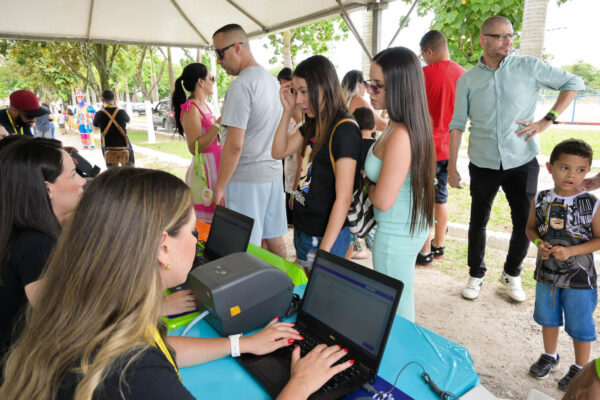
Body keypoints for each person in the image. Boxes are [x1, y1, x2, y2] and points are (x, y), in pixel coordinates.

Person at [0, 167, 352, 399]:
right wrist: (301, 385)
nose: (197, 241)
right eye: (192, 230)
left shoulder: (93, 313)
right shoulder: (135, 375)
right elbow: (151, 363)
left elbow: (165, 349)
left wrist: (240, 344)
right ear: (162, 248)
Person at [449, 16, 585, 302]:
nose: (508, 41)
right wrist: (452, 167)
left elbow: (573, 82)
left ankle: (511, 273)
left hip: (522, 160)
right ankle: (476, 274)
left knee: (525, 222)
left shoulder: (529, 67)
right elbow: (458, 124)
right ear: (483, 40)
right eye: (500, 36)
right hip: (483, 162)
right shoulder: (468, 80)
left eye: (511, 35)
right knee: (478, 221)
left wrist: (548, 120)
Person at [0, 137, 86, 370]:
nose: (82, 181)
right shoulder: (36, 247)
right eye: (73, 174)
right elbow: (67, 323)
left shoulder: (31, 230)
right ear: (47, 188)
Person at [364, 47, 435, 322]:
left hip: (395, 233)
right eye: (369, 82)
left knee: (396, 313)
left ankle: (403, 361)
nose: (370, 90)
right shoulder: (397, 123)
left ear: (400, 87)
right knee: (395, 304)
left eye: (378, 85)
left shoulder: (401, 132)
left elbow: (382, 199)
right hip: (400, 227)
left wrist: (367, 183)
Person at [272, 55, 362, 272]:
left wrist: (325, 250)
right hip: (305, 226)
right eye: (296, 92)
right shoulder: (314, 122)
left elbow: (344, 197)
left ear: (324, 86)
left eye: (304, 91)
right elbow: (278, 151)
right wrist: (286, 112)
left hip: (325, 234)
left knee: (321, 298)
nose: (299, 99)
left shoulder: (344, 129)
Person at [526, 139, 599, 391]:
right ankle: (550, 355)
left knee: (580, 323)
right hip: (547, 275)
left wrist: (571, 251)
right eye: (565, 167)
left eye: (580, 170)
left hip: (580, 279)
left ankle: (580, 367)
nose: (572, 175)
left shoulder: (592, 202)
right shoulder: (541, 197)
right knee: (548, 318)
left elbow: (599, 239)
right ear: (550, 167)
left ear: (588, 172)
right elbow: (531, 229)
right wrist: (539, 243)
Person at [212, 24, 287, 258]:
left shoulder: (241, 85)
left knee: (245, 249)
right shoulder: (271, 81)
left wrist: (220, 185)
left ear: (237, 48)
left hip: (246, 178)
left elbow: (234, 145)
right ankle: (289, 289)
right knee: (275, 241)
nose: (219, 62)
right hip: (273, 174)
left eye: (219, 54)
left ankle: (253, 294)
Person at [415, 30, 465, 267]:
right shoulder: (463, 75)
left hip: (425, 149)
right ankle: (439, 245)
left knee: (424, 200)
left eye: (423, 55)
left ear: (429, 51)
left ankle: (424, 251)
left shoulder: (422, 75)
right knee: (441, 198)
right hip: (448, 149)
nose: (423, 60)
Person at [172, 63, 222, 224]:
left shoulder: (206, 106)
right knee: (207, 228)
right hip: (204, 174)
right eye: (211, 78)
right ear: (200, 82)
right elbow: (194, 147)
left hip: (217, 170)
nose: (213, 82)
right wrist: (219, 123)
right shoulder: (191, 108)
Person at [345, 106, 377, 260]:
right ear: (374, 127)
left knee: (350, 237)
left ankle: (344, 263)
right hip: (371, 203)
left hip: (352, 202)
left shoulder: (351, 146)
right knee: (375, 242)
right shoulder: (377, 147)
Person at [277, 67, 304, 227]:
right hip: (290, 183)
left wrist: (295, 193)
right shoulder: (294, 123)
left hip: (298, 186)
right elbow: (277, 152)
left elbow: (302, 166)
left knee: (298, 224)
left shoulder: (304, 127)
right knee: (293, 225)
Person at [93, 90, 134, 167]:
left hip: (108, 147)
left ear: (102, 101)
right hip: (124, 145)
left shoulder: (99, 114)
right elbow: (129, 121)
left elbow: (94, 128)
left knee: (112, 173)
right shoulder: (121, 112)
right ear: (114, 100)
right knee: (129, 171)